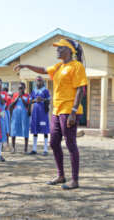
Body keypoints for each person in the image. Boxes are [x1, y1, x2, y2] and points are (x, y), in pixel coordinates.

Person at [14, 38, 87, 190]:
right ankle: (61, 175)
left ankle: (75, 180)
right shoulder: (59, 66)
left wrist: (74, 111)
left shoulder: (76, 66)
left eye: (60, 48)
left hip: (69, 110)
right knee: (53, 142)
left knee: (70, 143)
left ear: (69, 50)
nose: (57, 50)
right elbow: (43, 70)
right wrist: (26, 65)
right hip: (57, 110)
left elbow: (81, 89)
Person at [29, 76, 50, 156]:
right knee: (35, 130)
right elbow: (31, 100)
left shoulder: (45, 90)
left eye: (40, 81)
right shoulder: (34, 91)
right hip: (35, 113)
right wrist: (35, 100)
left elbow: (49, 100)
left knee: (44, 130)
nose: (38, 82)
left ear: (42, 82)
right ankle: (34, 149)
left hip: (43, 113)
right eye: (37, 81)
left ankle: (45, 149)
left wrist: (42, 100)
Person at [10, 82, 31, 154]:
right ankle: (13, 148)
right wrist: (17, 98)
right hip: (16, 115)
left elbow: (27, 105)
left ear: (24, 88)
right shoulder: (15, 95)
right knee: (13, 131)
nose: (20, 90)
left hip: (24, 115)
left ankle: (25, 149)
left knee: (25, 131)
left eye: (21, 88)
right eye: (19, 88)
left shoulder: (27, 95)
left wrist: (21, 97)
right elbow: (11, 105)